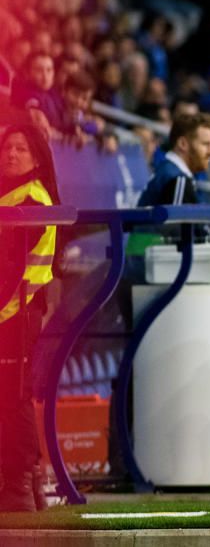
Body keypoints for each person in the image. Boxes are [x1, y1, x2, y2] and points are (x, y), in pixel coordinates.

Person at [0, 124, 59, 512]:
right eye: (7, 147)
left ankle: (19, 488)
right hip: (15, 311)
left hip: (15, 313)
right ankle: (29, 484)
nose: (11, 154)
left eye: (20, 148)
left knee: (14, 397)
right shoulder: (12, 196)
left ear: (36, 157)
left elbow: (8, 268)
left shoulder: (31, 200)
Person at [137, 113, 210, 206]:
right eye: (205, 144)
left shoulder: (168, 171)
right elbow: (178, 220)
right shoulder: (177, 180)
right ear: (183, 144)